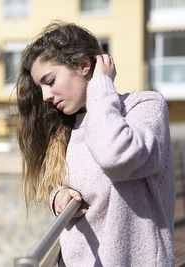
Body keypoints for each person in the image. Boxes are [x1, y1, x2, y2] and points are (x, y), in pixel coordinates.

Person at [16, 21, 175, 266]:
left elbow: (116, 156)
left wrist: (102, 84)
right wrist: (58, 198)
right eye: (41, 88)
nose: (45, 96)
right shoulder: (67, 127)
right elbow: (63, 184)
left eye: (50, 81)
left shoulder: (144, 107)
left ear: (83, 65)